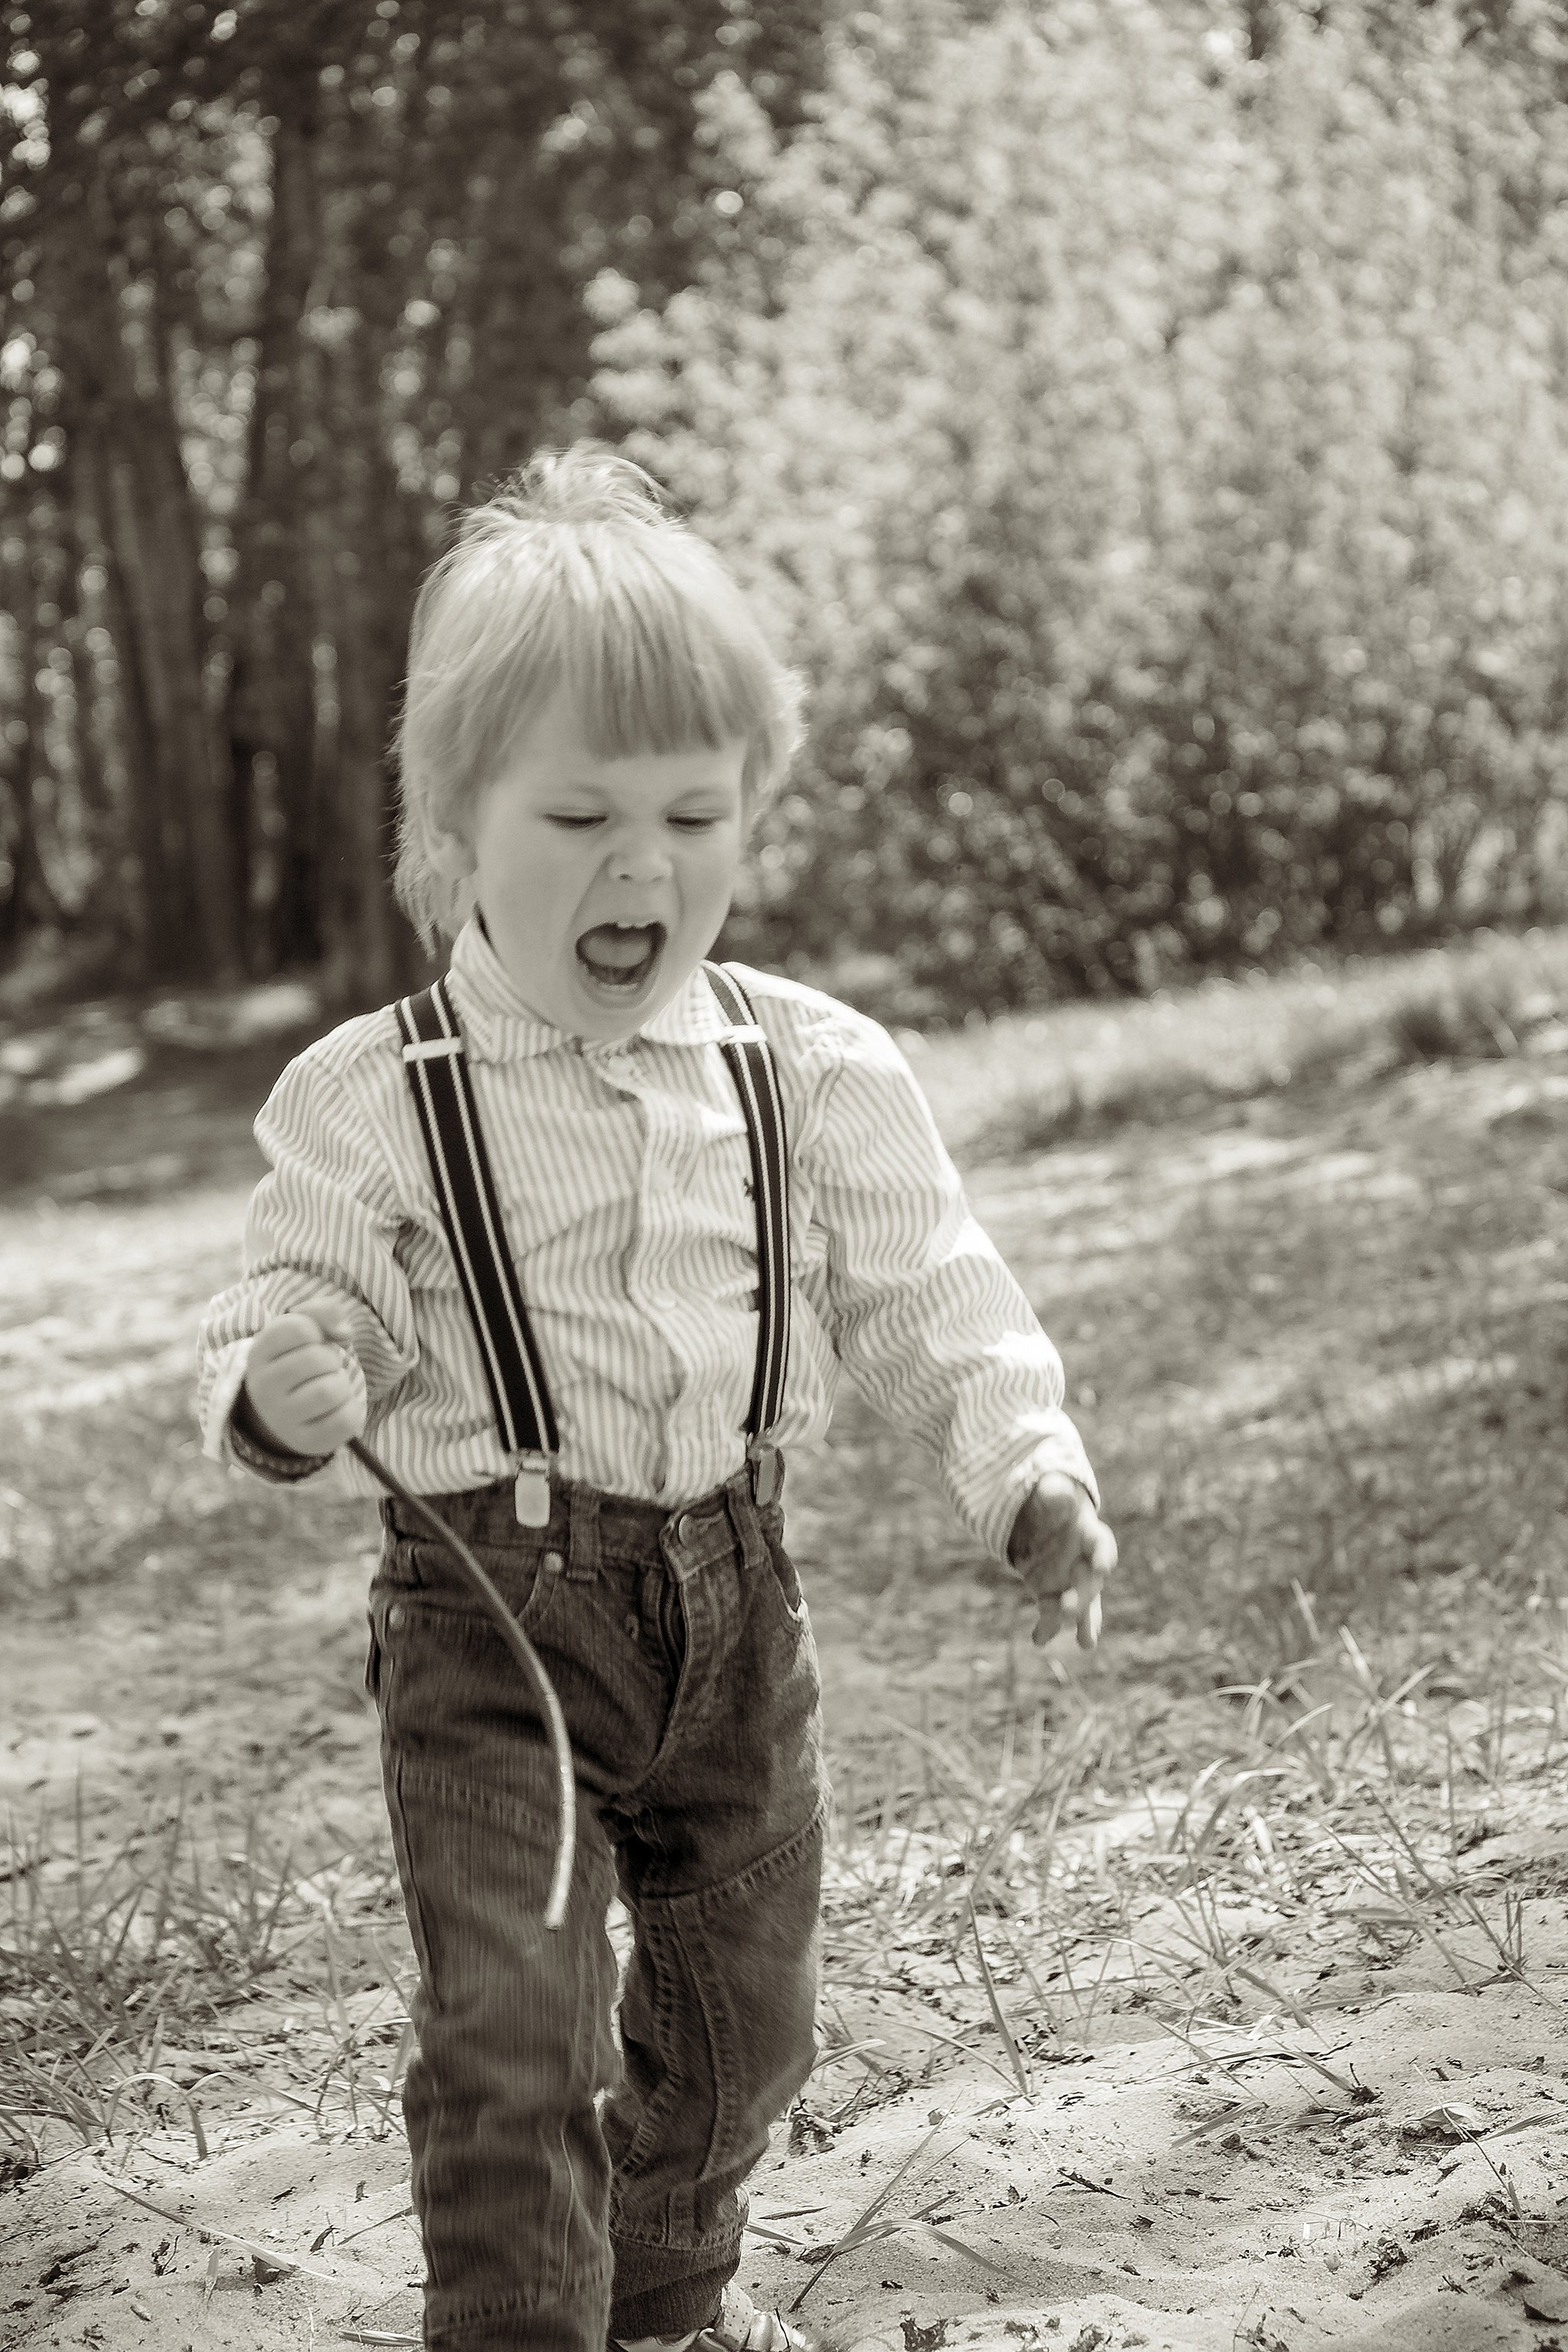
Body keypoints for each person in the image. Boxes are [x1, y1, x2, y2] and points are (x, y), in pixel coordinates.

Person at [195, 446, 1116, 2352]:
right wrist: (286, 1391)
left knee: (740, 2001)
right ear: (451, 828)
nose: (645, 868)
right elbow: (288, 1309)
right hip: (487, 1627)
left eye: (695, 813)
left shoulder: (811, 1065)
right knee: (511, 2023)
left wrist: (1023, 1466)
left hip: (732, 1603)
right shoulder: (382, 1093)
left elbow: (932, 1285)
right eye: (582, 816)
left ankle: (672, 2299)